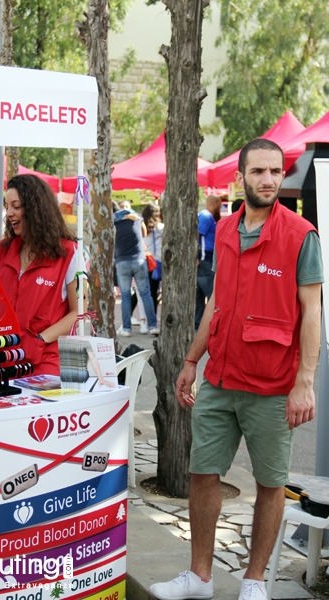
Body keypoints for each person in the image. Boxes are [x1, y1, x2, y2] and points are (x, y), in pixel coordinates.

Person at [150, 139, 323, 600]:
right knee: (202, 474)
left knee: (270, 484)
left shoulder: (300, 234)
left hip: (271, 386)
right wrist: (191, 359)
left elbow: (312, 313)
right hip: (220, 379)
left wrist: (305, 382)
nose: (268, 180)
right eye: (259, 172)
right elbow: (217, 303)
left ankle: (253, 582)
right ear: (241, 177)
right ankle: (200, 577)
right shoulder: (225, 230)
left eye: (275, 171)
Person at [0, 174, 81, 376]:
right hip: (0, 360)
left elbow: (79, 313)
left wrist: (39, 340)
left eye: (16, 206)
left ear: (36, 208)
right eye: (7, 206)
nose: (9, 213)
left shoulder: (69, 253)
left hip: (44, 364)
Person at [114, 201, 159, 337]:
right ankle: (152, 326)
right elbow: (144, 234)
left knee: (126, 295)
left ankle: (126, 328)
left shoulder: (114, 220)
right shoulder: (137, 218)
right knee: (146, 294)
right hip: (139, 260)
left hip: (122, 261)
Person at [195, 194, 221, 332]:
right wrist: (196, 256)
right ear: (215, 203)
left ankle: (198, 325)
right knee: (211, 294)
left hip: (204, 258)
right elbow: (196, 235)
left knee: (199, 294)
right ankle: (211, 325)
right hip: (204, 258)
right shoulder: (206, 216)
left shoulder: (205, 216)